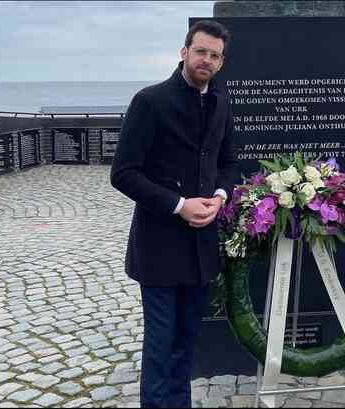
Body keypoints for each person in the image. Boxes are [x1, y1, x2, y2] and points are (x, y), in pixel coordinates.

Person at [110, 20, 238, 408]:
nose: (207, 60)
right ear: (184, 52)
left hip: (201, 246)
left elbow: (229, 164)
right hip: (159, 246)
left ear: (221, 62)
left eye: (215, 55)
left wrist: (218, 196)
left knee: (186, 344)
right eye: (200, 51)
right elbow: (123, 173)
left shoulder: (221, 102)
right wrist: (180, 206)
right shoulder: (149, 101)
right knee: (161, 347)